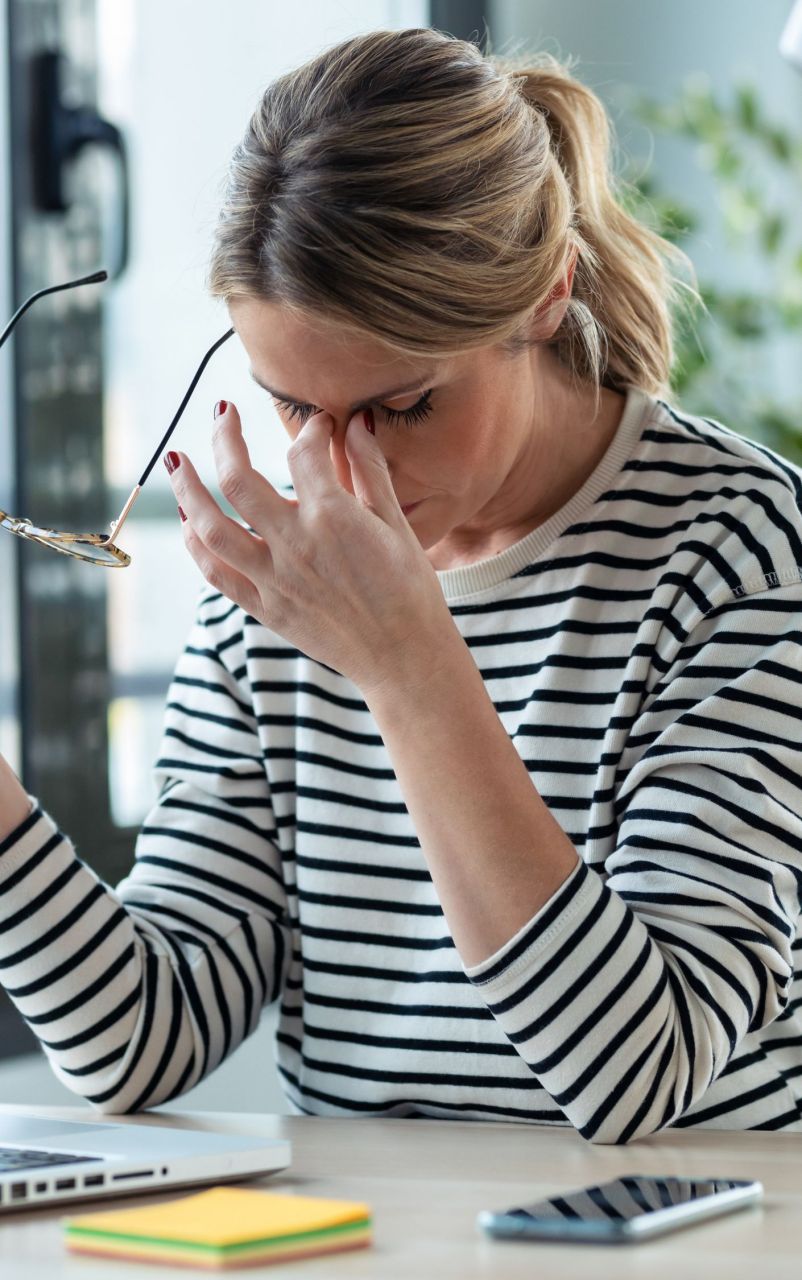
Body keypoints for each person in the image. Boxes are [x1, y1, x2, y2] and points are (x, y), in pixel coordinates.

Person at [1, 27, 801, 1144]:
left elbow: (639, 1069)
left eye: (403, 406)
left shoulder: (736, 552)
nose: (341, 472)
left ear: (543, 295)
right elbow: (142, 1036)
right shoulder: (279, 581)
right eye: (292, 407)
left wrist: (406, 662)